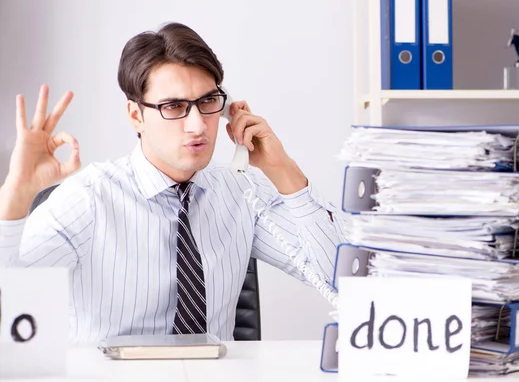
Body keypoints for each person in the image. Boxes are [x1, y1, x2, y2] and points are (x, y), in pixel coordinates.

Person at [0, 22, 346, 342]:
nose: (197, 125)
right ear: (137, 115)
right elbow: (9, 293)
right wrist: (15, 195)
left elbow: (343, 279)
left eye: (208, 101)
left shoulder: (242, 192)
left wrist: (282, 169)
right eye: (175, 106)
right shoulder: (90, 199)